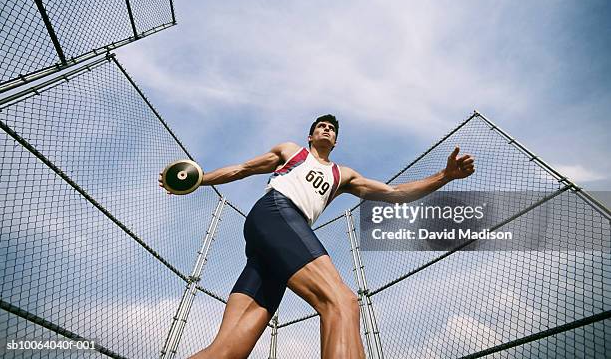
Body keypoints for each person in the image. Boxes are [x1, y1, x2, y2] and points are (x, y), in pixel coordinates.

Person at [158, 114, 475, 359]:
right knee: (343, 302)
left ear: (335, 141)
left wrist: (444, 176)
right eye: (321, 126)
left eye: (331, 129)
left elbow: (394, 193)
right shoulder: (291, 152)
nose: (326, 130)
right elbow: (241, 168)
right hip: (276, 213)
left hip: (274, 243)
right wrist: (197, 180)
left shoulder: (343, 175)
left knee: (227, 352)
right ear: (311, 135)